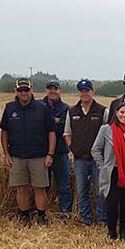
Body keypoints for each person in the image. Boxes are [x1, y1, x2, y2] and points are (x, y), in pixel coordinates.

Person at [0, 79, 56, 226]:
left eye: (26, 90)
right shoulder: (10, 108)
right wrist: (6, 153)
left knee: (40, 188)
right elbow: (4, 132)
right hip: (17, 156)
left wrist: (50, 154)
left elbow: (51, 132)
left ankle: (41, 216)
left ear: (31, 90)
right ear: (16, 91)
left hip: (39, 156)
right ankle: (24, 216)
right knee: (21, 188)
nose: (23, 93)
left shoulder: (42, 108)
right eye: (20, 90)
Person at [92, 103, 125, 240]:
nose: (124, 115)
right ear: (116, 113)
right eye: (122, 112)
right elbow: (96, 149)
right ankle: (111, 232)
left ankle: (123, 232)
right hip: (112, 172)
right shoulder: (106, 130)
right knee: (112, 203)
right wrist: (102, 166)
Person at [64, 79, 109, 226]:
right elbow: (67, 133)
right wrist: (73, 148)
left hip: (98, 160)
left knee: (100, 190)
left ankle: (102, 220)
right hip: (80, 160)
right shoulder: (72, 111)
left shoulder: (103, 111)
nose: (84, 94)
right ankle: (86, 219)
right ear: (78, 93)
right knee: (82, 190)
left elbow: (108, 135)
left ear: (92, 92)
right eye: (81, 91)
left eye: (87, 91)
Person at [43, 80, 72, 219]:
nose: (52, 91)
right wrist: (55, 120)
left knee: (64, 185)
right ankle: (42, 210)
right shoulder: (38, 105)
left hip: (61, 152)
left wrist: (49, 121)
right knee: (42, 184)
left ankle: (65, 211)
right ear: (46, 90)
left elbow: (63, 128)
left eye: (55, 88)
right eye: (50, 88)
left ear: (60, 91)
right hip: (42, 152)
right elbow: (37, 126)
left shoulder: (66, 108)